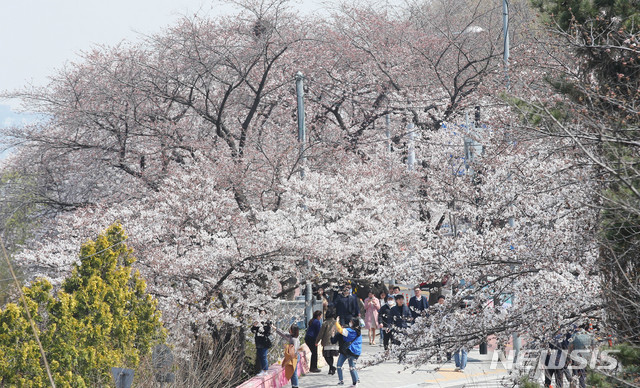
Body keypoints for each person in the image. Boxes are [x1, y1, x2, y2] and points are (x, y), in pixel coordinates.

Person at [335, 317, 363, 387]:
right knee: (351, 367)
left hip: (351, 351)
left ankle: (355, 382)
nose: (349, 323)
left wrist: (336, 322)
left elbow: (340, 330)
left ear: (353, 323)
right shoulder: (357, 331)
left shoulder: (351, 331)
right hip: (353, 351)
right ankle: (355, 380)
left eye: (351, 321)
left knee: (352, 367)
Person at [274, 324, 301, 388]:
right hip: (294, 357)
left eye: (290, 329)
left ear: (293, 331)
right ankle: (294, 385)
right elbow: (282, 333)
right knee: (292, 372)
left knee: (293, 372)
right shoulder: (291, 337)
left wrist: (287, 348)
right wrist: (273, 327)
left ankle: (295, 386)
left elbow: (294, 350)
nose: (289, 330)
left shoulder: (294, 339)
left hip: (294, 357)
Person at [317, 310, 339, 375]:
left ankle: (331, 367)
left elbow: (321, 333)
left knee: (326, 356)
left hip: (327, 342)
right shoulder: (336, 323)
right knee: (331, 356)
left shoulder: (325, 323)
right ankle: (331, 369)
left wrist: (317, 341)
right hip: (335, 342)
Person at [251, 312, 272, 376]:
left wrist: (263, 327)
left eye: (263, 313)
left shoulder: (267, 322)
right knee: (260, 356)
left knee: (263, 356)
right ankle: (262, 370)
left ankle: (265, 370)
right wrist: (255, 325)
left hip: (264, 342)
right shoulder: (257, 321)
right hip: (258, 341)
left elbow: (268, 332)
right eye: (261, 313)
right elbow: (252, 330)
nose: (262, 315)